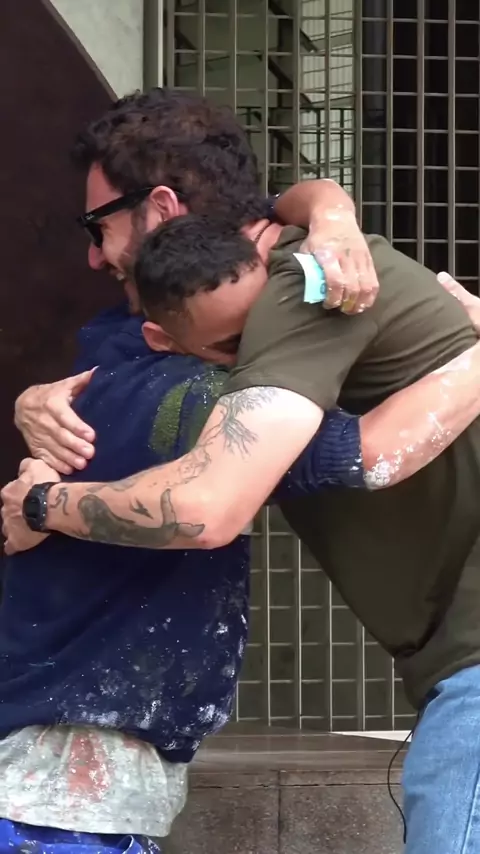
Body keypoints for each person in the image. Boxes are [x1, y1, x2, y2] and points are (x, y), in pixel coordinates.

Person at [4, 88, 480, 854]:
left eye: (100, 225)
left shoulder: (303, 292)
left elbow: (237, 492)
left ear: (163, 207)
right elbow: (338, 450)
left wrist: (41, 504)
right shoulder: (176, 345)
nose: (94, 252)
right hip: (61, 783)